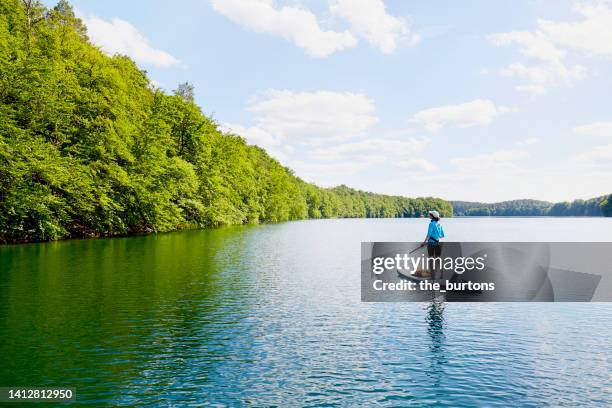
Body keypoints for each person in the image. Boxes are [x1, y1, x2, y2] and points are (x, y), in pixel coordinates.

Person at [423, 210, 444, 279]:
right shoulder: (439, 224)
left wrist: (423, 242)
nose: (429, 215)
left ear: (432, 216)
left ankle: (433, 277)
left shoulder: (431, 224)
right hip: (438, 243)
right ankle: (441, 275)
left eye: (430, 214)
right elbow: (442, 235)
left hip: (431, 243)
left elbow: (428, 235)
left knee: (431, 259)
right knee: (438, 259)